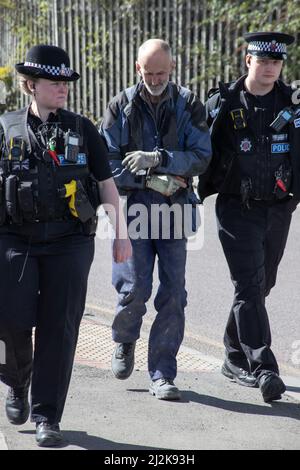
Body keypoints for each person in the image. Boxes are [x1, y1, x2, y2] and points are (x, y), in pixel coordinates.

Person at [0, 44, 131, 447]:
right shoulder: (5, 128)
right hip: (15, 240)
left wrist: (121, 233)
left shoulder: (82, 128)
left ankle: (46, 416)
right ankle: (16, 383)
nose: (63, 89)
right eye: (54, 83)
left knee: (59, 328)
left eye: (66, 83)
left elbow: (106, 184)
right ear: (30, 85)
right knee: (10, 322)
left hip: (69, 242)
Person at [101, 38, 211, 400]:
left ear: (173, 67)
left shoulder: (189, 104)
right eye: (149, 73)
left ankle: (162, 373)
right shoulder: (120, 105)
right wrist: (150, 176)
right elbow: (108, 164)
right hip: (134, 208)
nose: (155, 78)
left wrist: (160, 158)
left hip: (175, 208)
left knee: (174, 294)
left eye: (162, 72)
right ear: (138, 69)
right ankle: (124, 338)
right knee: (135, 288)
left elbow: (201, 155)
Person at [198, 32, 300, 402]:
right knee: (248, 285)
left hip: (277, 207)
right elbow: (198, 146)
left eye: (277, 62)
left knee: (261, 285)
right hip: (235, 208)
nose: (271, 68)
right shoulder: (223, 102)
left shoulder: (293, 103)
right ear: (248, 60)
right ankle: (264, 367)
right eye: (264, 61)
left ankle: (234, 353)